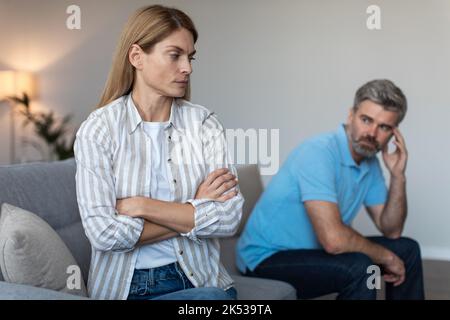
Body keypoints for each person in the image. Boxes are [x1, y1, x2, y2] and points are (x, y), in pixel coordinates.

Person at [74, 5, 243, 300]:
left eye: (190, 57)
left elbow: (229, 217)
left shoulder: (204, 124)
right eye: (175, 55)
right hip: (128, 288)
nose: (187, 68)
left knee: (212, 298)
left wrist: (142, 205)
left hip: (200, 276)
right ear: (137, 57)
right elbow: (103, 234)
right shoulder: (99, 129)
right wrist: (195, 209)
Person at [236, 79, 424, 300]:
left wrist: (398, 176)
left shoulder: (369, 160)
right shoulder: (318, 153)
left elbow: (391, 230)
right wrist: (386, 258)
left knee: (407, 249)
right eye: (366, 120)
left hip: (316, 251)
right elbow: (334, 241)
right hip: (267, 257)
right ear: (350, 115)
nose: (372, 133)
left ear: (394, 133)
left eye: (383, 127)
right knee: (360, 268)